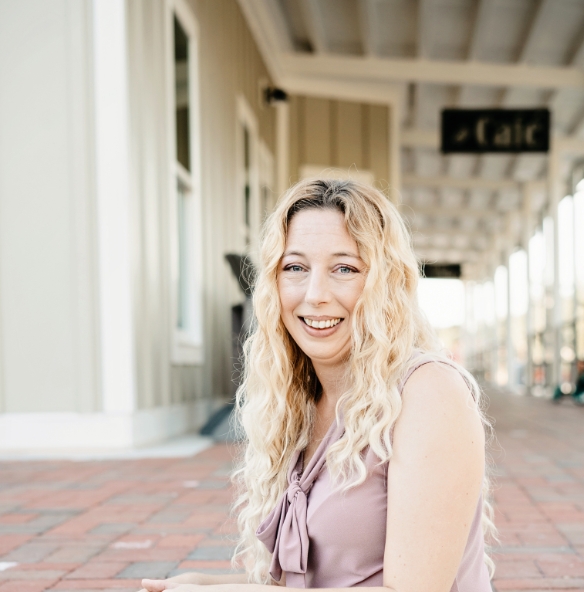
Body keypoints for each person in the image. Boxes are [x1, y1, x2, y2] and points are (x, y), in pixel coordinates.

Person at [139, 179, 496, 592]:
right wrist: (202, 583)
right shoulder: (299, 401)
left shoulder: (428, 391)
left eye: (344, 268)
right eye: (295, 268)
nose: (315, 294)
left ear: (384, 282)